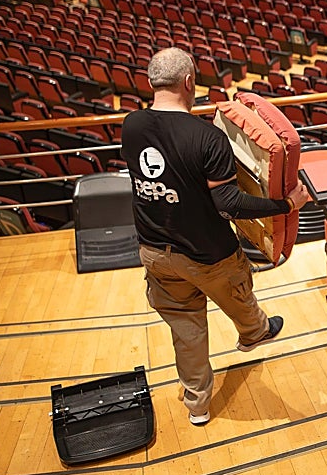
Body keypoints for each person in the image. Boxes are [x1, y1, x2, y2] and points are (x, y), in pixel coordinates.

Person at [122, 47, 310, 426]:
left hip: (154, 250)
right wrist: (286, 205)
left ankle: (198, 407)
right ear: (190, 82)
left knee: (187, 331)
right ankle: (253, 332)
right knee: (238, 288)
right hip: (207, 253)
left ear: (151, 83)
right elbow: (229, 206)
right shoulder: (207, 138)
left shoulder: (132, 124)